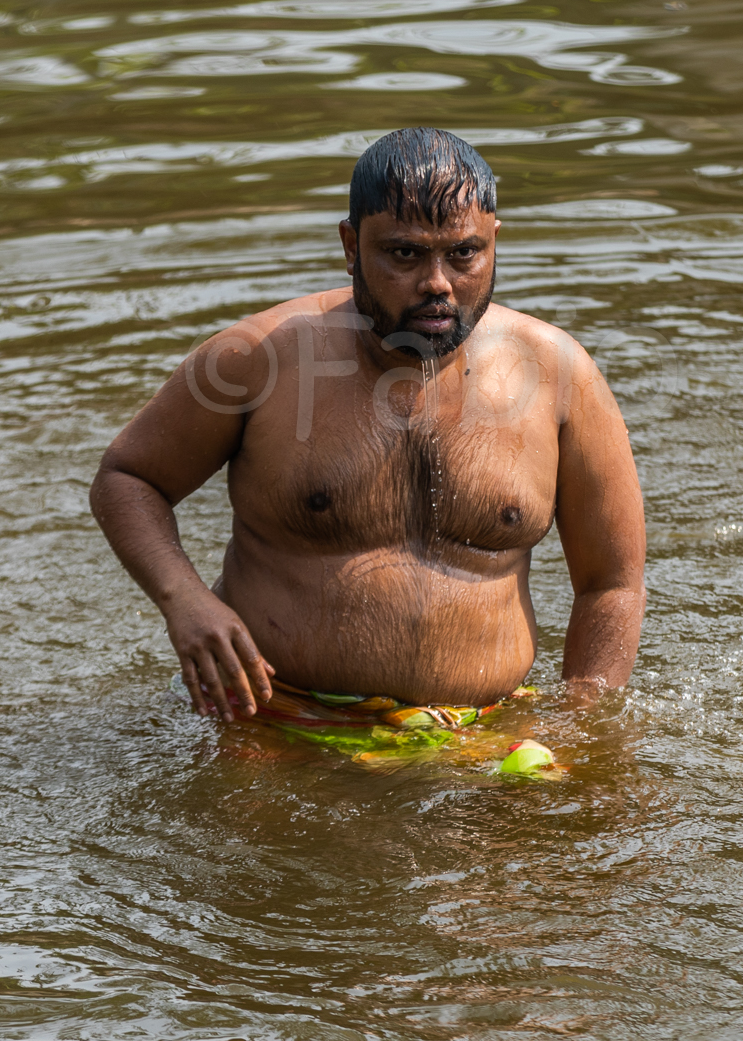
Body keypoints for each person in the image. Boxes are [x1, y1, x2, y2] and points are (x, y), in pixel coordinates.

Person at [91, 127, 645, 746]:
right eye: (405, 254)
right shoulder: (259, 358)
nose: (438, 282)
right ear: (351, 245)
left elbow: (611, 584)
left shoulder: (559, 374)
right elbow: (128, 478)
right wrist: (185, 604)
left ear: (495, 241)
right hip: (273, 722)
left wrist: (580, 725)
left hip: (483, 732)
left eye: (464, 253)